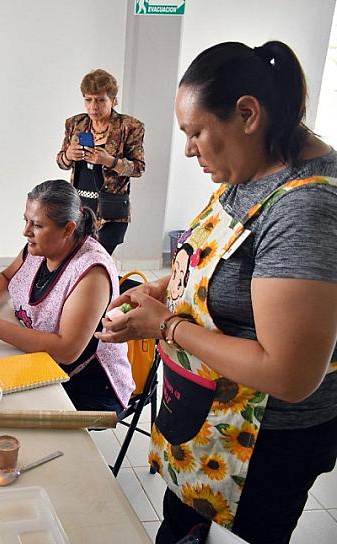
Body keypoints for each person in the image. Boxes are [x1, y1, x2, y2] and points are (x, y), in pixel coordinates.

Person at [96, 41, 337, 544]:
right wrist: (160, 289)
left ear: (247, 114)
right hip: (205, 417)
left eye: (196, 132)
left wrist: (165, 325)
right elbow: (217, 262)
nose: (188, 149)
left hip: (261, 447)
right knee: (181, 527)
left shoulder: (305, 209)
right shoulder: (252, 169)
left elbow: (289, 375)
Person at [0, 180, 133, 413]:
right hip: (39, 360)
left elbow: (67, 351)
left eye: (36, 225)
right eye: (25, 221)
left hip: (86, 382)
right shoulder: (40, 248)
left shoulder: (91, 273)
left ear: (68, 229)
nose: (26, 232)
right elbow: (6, 277)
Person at [56, 69, 145, 255]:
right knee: (75, 260)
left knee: (96, 261)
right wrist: (68, 155)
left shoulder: (129, 127)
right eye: (88, 100)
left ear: (113, 100)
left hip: (111, 211)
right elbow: (61, 162)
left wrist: (110, 161)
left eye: (100, 100)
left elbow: (138, 168)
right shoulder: (75, 124)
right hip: (79, 208)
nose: (93, 107)